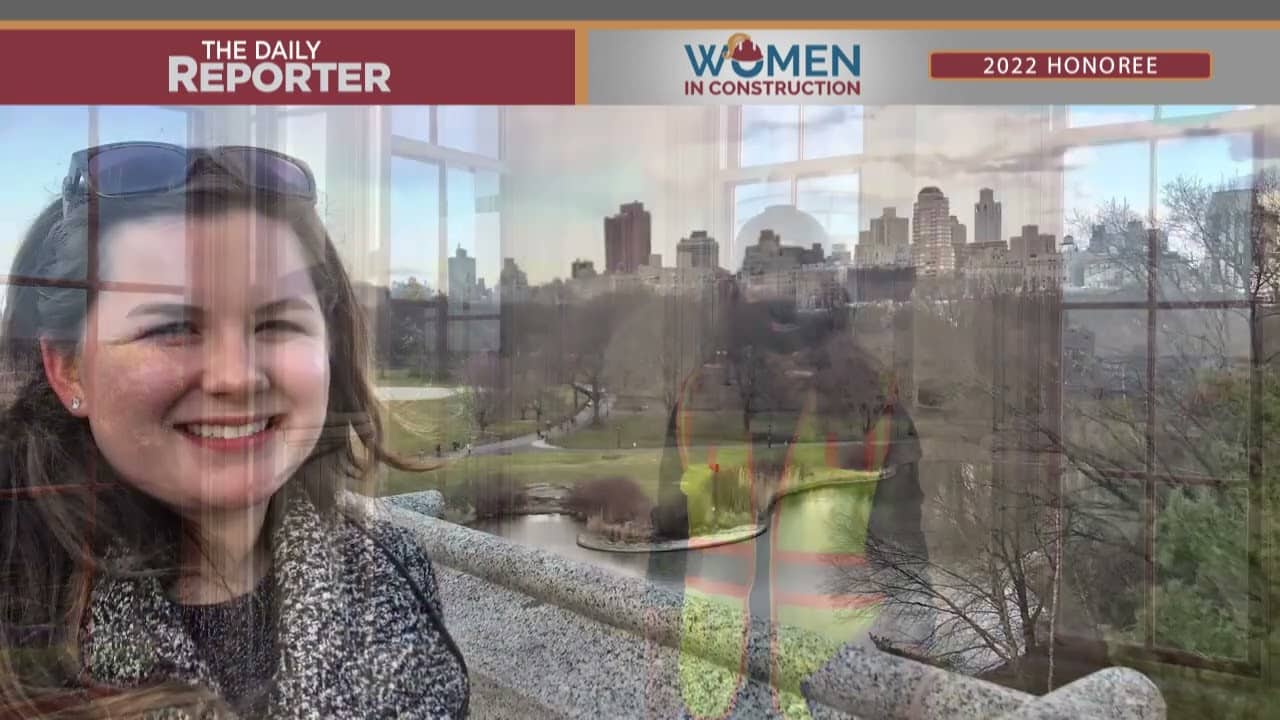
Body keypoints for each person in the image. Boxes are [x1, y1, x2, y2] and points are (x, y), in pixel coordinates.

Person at [0, 143, 469, 718]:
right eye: (173, 327)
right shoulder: (15, 606)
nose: (236, 378)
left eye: (276, 323)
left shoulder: (393, 573)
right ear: (69, 368)